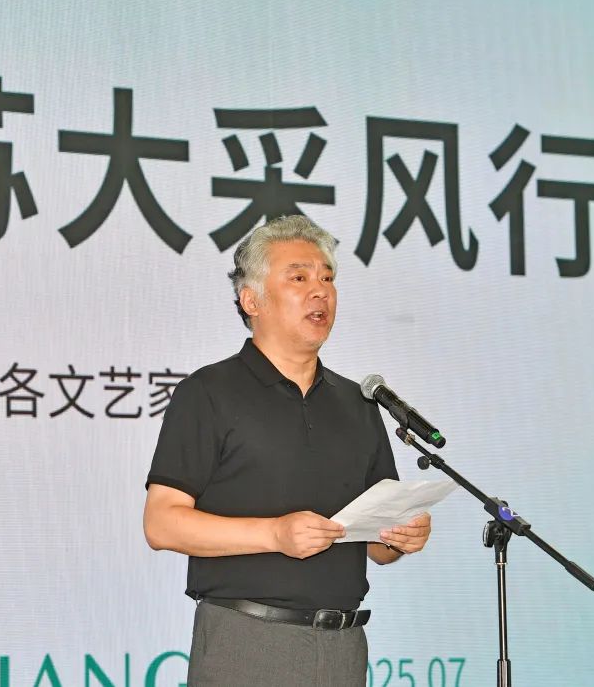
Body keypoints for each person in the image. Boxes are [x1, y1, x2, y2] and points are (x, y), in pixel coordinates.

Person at [144, 214, 432, 686]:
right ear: (251, 300)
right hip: (247, 642)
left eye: (327, 279)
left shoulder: (358, 403)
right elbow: (161, 523)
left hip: (343, 647)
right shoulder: (209, 392)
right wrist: (274, 534)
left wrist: (398, 537)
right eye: (299, 278)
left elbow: (377, 548)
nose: (320, 291)